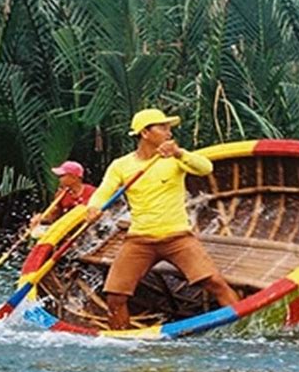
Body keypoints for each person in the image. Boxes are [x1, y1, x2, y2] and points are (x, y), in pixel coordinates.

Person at [86, 108, 239, 329]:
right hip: (139, 239)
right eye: (163, 127)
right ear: (145, 133)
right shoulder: (121, 165)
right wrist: (93, 207)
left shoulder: (175, 158)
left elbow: (206, 168)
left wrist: (179, 153)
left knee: (214, 283)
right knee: (115, 297)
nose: (169, 133)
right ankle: (123, 342)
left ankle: (239, 325)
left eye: (169, 128)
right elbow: (103, 192)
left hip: (177, 237)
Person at [30, 160, 96, 231]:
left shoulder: (92, 192)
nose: (59, 179)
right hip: (69, 230)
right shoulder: (60, 194)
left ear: (73, 177)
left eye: (62, 176)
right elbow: (54, 215)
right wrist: (41, 218)